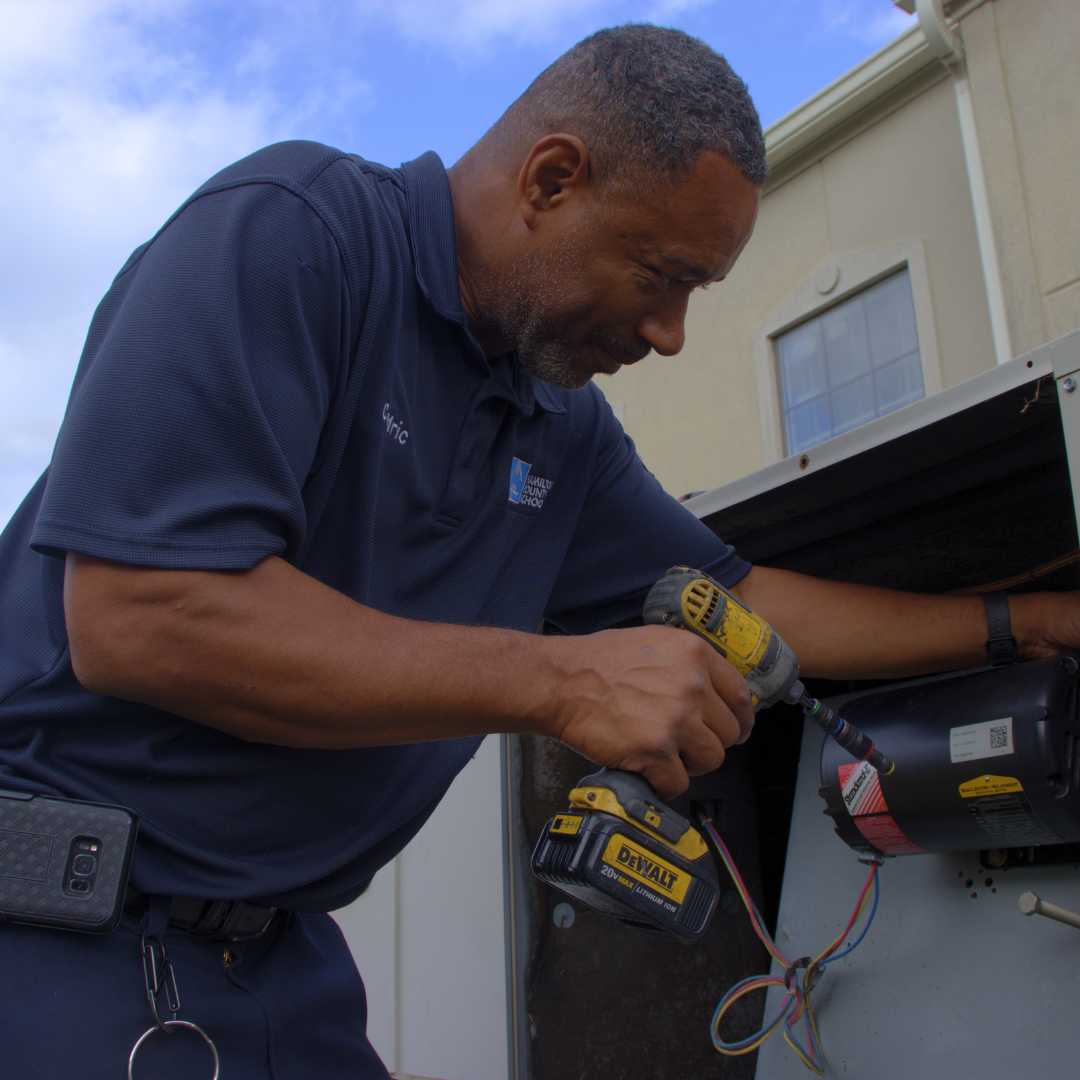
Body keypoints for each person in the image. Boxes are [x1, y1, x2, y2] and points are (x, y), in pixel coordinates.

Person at [0, 22, 1077, 1080]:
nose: (671, 334)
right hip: (58, 937)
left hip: (282, 960)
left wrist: (1020, 626)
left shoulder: (559, 430)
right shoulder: (296, 235)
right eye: (664, 275)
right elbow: (143, 617)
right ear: (551, 180)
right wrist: (560, 682)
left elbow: (736, 601)